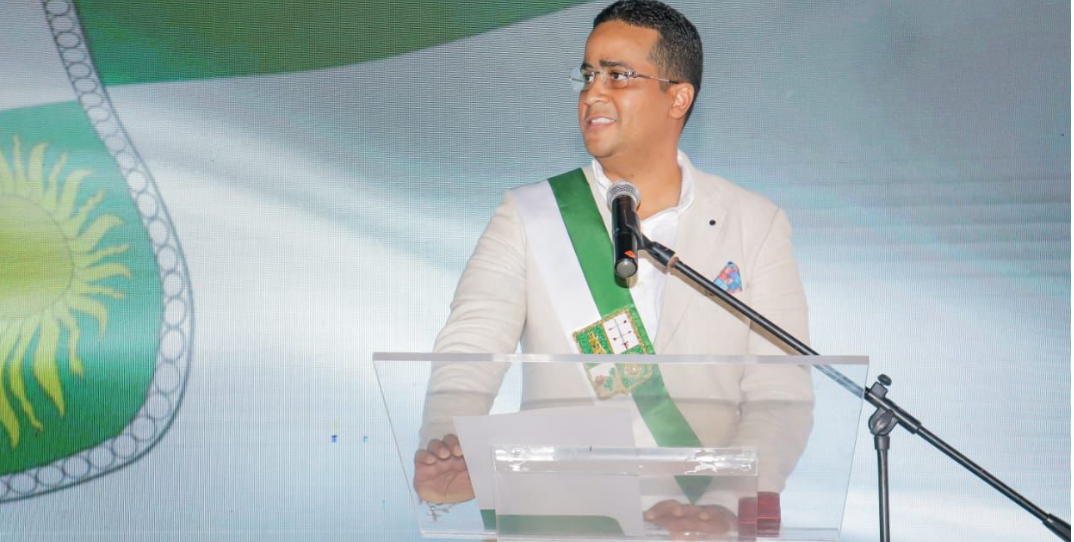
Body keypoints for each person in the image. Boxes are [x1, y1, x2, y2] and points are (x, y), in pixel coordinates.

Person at [414, 0, 813, 536]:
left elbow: (780, 394)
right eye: (587, 76)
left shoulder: (754, 223)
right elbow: (469, 352)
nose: (592, 94)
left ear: (678, 98)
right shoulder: (531, 214)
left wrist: (724, 503)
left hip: (697, 527)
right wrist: (448, 441)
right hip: (560, 521)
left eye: (617, 75)